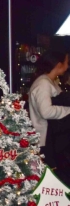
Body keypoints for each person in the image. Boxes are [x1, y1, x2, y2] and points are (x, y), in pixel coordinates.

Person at [29, 51, 70, 179]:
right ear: (59, 64)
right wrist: (68, 111)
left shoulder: (50, 81)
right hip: (45, 141)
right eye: (67, 62)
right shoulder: (43, 83)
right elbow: (46, 111)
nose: (68, 66)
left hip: (51, 139)